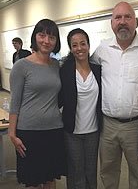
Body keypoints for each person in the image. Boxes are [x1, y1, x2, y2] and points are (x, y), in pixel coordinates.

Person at [91, 1, 138, 189]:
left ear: (136, 22)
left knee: (136, 172)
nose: (122, 22)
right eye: (118, 17)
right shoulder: (102, 49)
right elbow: (85, 70)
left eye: (127, 17)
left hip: (135, 125)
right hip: (108, 125)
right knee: (107, 170)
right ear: (111, 23)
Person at [8, 19, 66, 189]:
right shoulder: (21, 66)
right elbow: (15, 102)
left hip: (54, 130)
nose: (46, 41)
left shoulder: (57, 65)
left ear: (56, 42)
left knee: (50, 178)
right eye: (42, 35)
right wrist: (12, 133)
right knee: (32, 180)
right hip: (29, 132)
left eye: (52, 37)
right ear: (35, 37)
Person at [58, 28, 102, 189]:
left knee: (91, 171)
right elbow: (58, 98)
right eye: (74, 45)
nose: (79, 48)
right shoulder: (65, 71)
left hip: (93, 131)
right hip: (72, 132)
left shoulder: (98, 70)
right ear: (70, 48)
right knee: (76, 172)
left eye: (82, 44)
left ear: (89, 45)